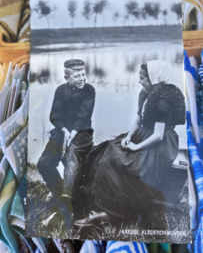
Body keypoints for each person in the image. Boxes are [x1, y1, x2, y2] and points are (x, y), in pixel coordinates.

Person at [74, 60, 185, 229]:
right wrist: (129, 137)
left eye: (143, 78)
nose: (139, 81)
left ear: (154, 79)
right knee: (109, 147)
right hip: (144, 134)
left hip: (160, 145)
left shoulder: (163, 101)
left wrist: (135, 147)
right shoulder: (146, 94)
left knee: (121, 161)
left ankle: (108, 211)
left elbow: (158, 135)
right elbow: (138, 120)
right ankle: (96, 200)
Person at [37, 59, 96, 228]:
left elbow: (84, 115)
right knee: (43, 163)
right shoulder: (60, 90)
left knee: (71, 157)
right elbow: (55, 115)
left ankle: (67, 203)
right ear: (66, 77)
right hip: (62, 132)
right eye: (77, 76)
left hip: (82, 132)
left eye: (83, 74)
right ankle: (58, 192)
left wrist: (74, 133)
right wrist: (64, 131)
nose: (82, 78)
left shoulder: (89, 90)